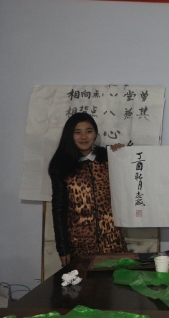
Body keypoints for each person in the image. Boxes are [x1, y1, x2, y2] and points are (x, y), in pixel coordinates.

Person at [48, 112, 128, 266]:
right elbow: (58, 209)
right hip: (79, 244)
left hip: (113, 240)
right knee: (84, 281)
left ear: (95, 134)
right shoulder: (61, 165)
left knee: (116, 280)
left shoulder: (108, 158)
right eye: (78, 132)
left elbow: (130, 183)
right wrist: (63, 248)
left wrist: (124, 154)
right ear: (70, 135)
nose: (84, 137)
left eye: (89, 131)